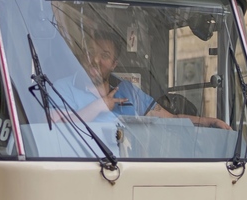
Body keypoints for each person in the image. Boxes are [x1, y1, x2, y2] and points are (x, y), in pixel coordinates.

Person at [64, 27, 230, 129]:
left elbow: (171, 119)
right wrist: (99, 106)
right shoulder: (64, 87)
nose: (95, 60)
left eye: (105, 56)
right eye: (91, 53)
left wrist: (209, 122)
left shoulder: (128, 91)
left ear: (114, 64)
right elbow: (53, 125)